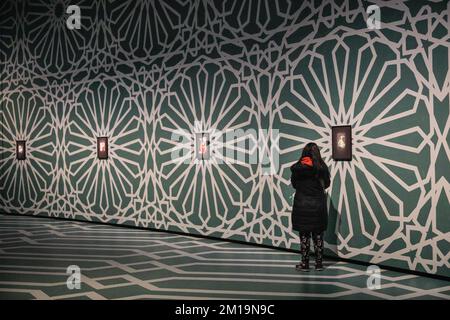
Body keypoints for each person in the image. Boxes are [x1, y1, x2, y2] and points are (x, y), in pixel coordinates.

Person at [290, 142, 330, 271]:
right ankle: (319, 264)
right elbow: (327, 184)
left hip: (301, 205)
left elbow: (294, 184)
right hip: (318, 205)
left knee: (304, 236)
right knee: (318, 235)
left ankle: (305, 264)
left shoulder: (297, 168)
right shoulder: (322, 167)